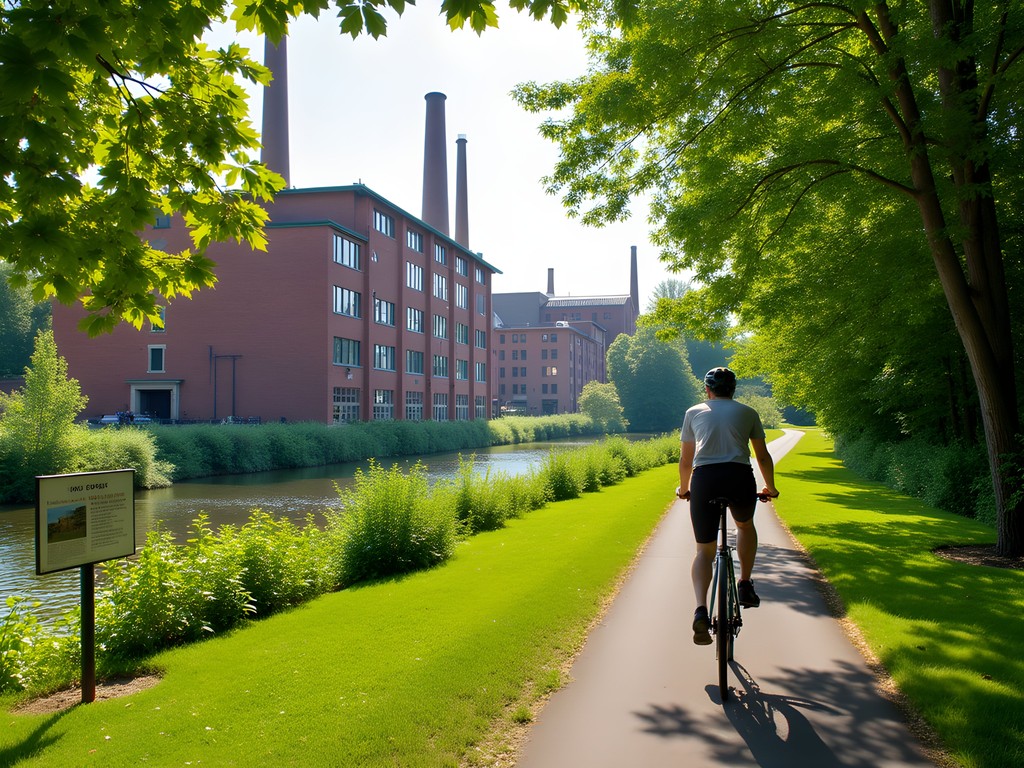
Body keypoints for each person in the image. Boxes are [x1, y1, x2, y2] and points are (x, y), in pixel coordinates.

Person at [677, 367, 779, 645]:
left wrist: (684, 489)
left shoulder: (693, 412)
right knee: (745, 525)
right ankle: (744, 583)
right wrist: (770, 486)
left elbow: (686, 461)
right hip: (738, 477)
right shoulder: (748, 412)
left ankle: (700, 610)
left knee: (704, 550)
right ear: (733, 390)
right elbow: (762, 456)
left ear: (707, 390)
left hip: (705, 479)